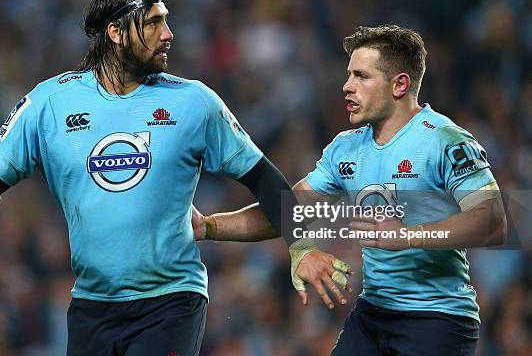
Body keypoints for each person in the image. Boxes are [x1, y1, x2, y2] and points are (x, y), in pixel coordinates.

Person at [0, 0, 351, 355]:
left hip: (170, 302)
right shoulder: (49, 103)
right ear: (116, 32)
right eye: (154, 23)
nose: (168, 34)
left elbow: (266, 179)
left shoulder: (194, 102)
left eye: (167, 22)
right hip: (92, 306)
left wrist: (303, 247)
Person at [193, 24, 507, 355]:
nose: (346, 86)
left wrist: (409, 236)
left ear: (399, 84)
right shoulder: (345, 149)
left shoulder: (445, 140)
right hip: (373, 314)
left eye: (361, 76)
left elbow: (493, 221)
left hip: (438, 318)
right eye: (349, 75)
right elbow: (288, 212)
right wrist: (211, 226)